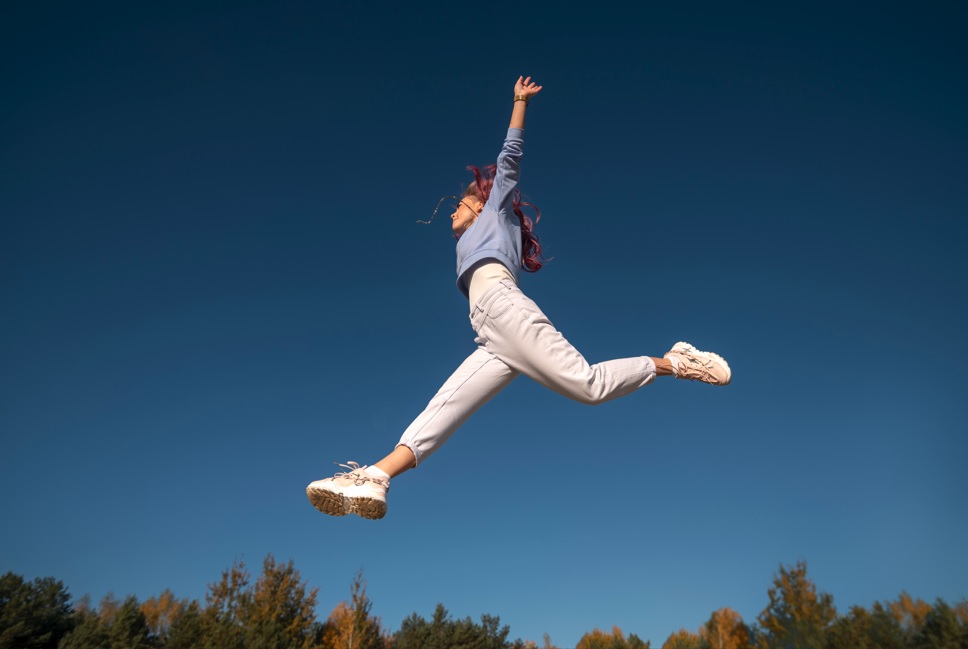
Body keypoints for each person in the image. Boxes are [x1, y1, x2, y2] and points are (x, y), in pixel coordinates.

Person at [306, 76, 730, 520]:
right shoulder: (467, 243)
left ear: (481, 205)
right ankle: (376, 477)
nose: (453, 208)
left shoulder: (495, 212)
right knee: (445, 409)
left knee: (589, 386)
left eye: (460, 202)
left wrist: (519, 103)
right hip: (490, 331)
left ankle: (674, 361)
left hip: (505, 309)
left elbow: (508, 160)